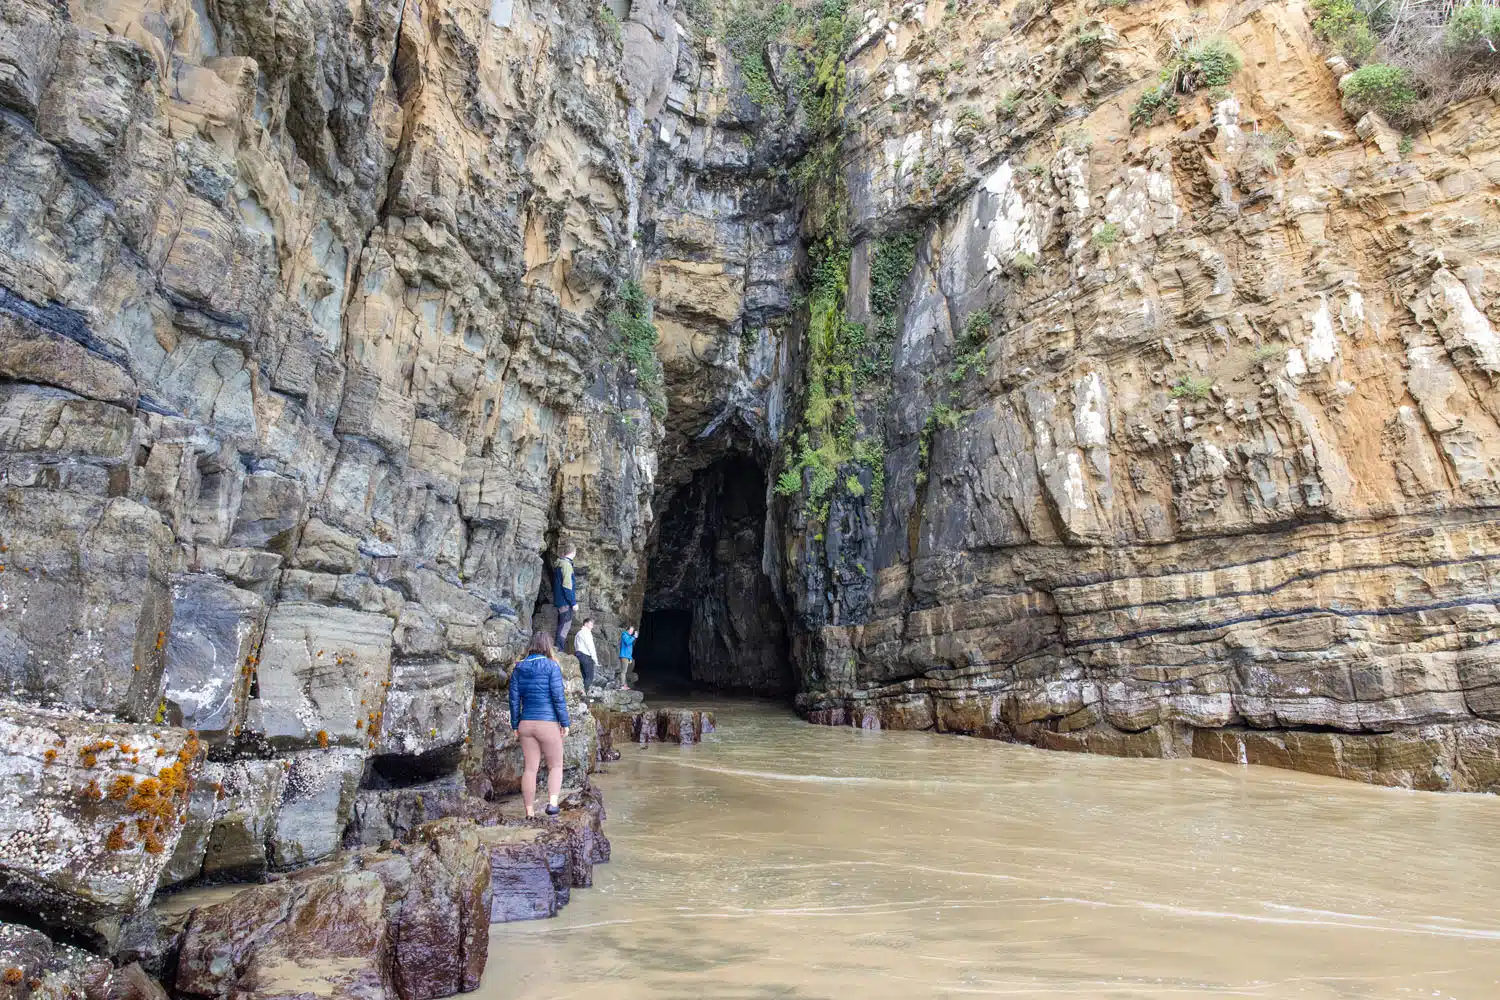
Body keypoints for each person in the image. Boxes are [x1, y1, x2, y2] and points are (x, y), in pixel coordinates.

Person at [508, 631, 571, 818]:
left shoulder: (518, 668)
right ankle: (552, 804)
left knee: (530, 768)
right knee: (556, 766)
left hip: (526, 724)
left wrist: (515, 725)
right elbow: (558, 697)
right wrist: (564, 722)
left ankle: (529, 812)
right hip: (548, 723)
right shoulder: (552, 666)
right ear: (547, 646)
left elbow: (513, 700)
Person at [551, 544, 577, 648]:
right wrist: (573, 603)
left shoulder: (559, 564)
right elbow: (567, 586)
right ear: (573, 553)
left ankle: (557, 648)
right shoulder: (567, 565)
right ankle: (558, 650)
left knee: (561, 625)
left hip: (559, 600)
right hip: (565, 602)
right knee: (564, 626)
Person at [574, 617, 598, 689]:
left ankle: (581, 693)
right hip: (586, 656)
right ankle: (585, 694)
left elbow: (575, 644)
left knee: (584, 675)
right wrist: (595, 659)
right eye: (591, 624)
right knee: (589, 676)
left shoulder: (578, 633)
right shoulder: (586, 632)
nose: (592, 626)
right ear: (585, 624)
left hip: (578, 655)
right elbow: (590, 646)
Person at [618, 625, 637, 691]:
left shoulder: (629, 636)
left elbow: (629, 650)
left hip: (627, 656)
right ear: (627, 630)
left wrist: (630, 658)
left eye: (632, 631)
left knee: (625, 671)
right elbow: (627, 642)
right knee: (623, 671)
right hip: (624, 656)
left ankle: (624, 685)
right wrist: (634, 637)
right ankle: (622, 685)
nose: (631, 631)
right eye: (630, 630)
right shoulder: (624, 635)